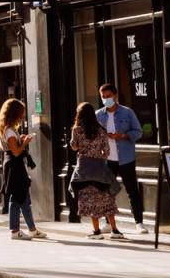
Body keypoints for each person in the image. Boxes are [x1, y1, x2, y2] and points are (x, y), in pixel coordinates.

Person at [97, 83, 147, 234]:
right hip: (107, 159)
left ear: (115, 96)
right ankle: (107, 222)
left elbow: (138, 132)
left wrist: (123, 136)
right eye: (103, 97)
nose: (106, 99)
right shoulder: (98, 115)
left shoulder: (127, 112)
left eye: (109, 96)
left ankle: (139, 222)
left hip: (126, 158)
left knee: (132, 190)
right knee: (107, 192)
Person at [70, 102, 124, 240]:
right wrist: (99, 157)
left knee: (89, 199)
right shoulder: (101, 130)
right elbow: (106, 151)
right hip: (100, 168)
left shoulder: (76, 130)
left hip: (84, 169)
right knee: (107, 199)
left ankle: (96, 231)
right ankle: (115, 230)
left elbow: (74, 147)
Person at [0, 99, 46, 240]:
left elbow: (10, 148)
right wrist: (25, 142)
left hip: (13, 165)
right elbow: (16, 152)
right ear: (15, 113)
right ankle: (15, 231)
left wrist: (20, 140)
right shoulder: (9, 131)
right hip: (14, 166)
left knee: (23, 198)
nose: (23, 115)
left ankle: (32, 229)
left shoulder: (8, 129)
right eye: (21, 113)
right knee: (17, 198)